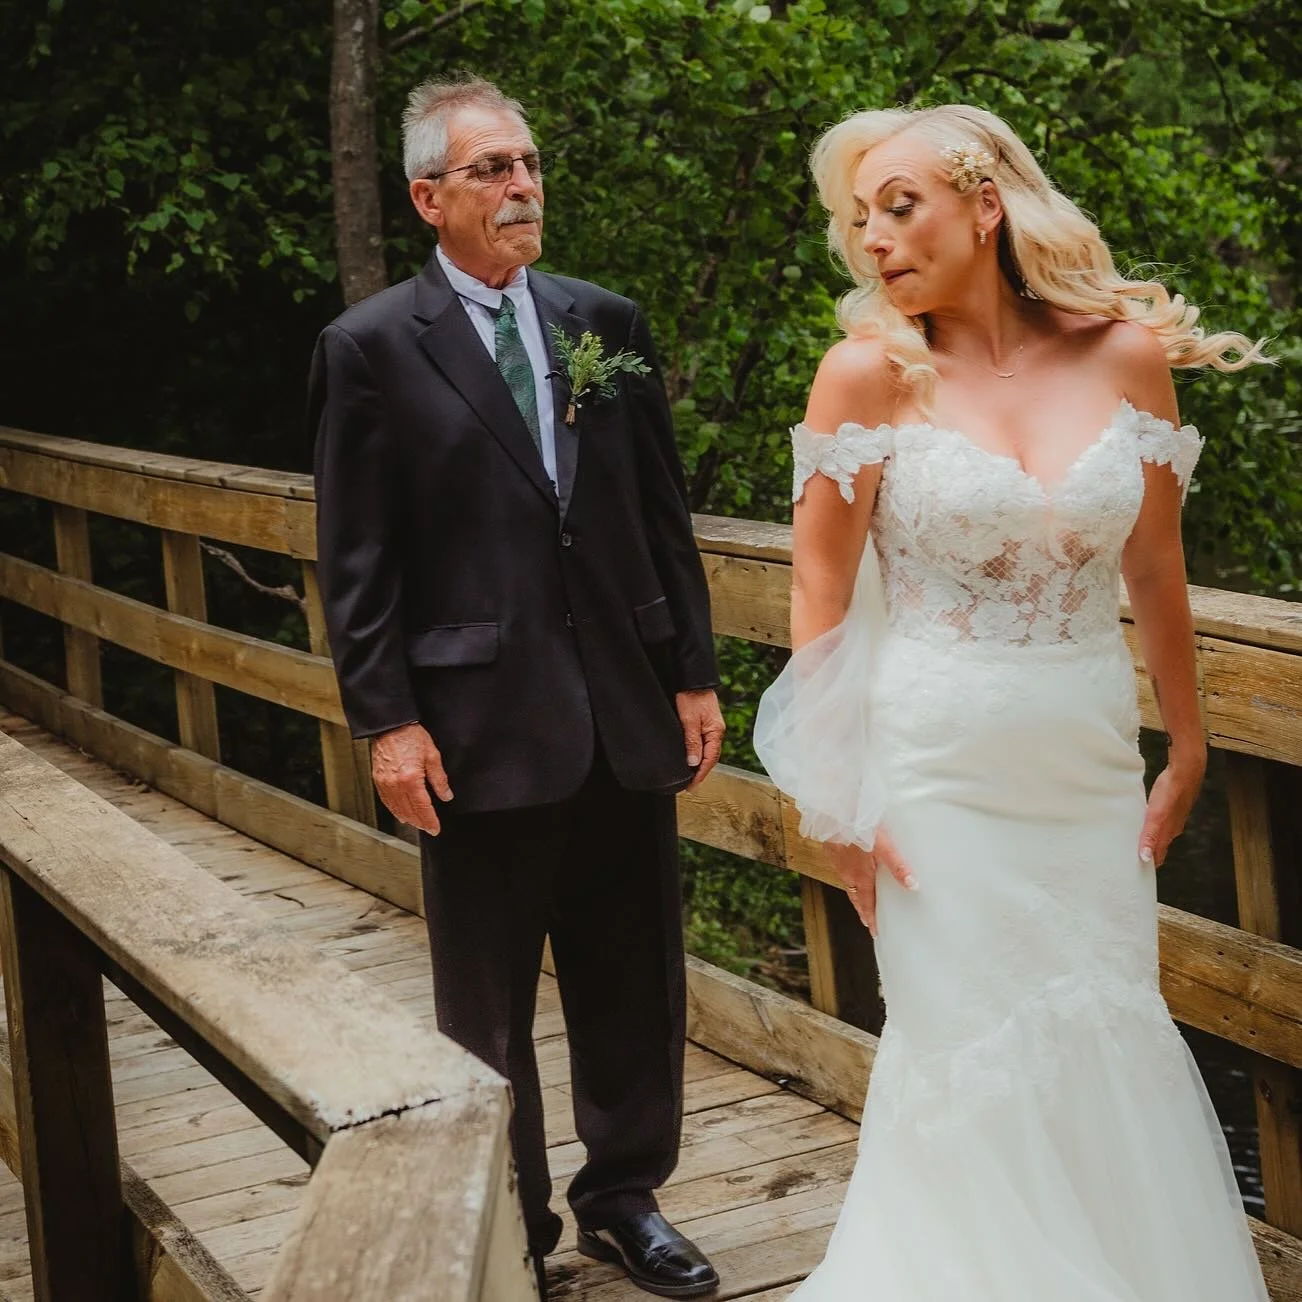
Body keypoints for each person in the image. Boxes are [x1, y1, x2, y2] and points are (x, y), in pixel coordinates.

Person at [754, 103, 1272, 1300]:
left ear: (986, 205)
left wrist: (1186, 743)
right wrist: (837, 792)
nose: (875, 238)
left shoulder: (1124, 358)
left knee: (1106, 1034)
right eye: (858, 218)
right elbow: (821, 590)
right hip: (937, 775)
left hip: (1087, 774)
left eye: (901, 204)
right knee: (966, 1052)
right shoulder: (865, 376)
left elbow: (1153, 569)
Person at [310, 74, 723, 1300]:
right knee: (485, 1001)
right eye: (492, 169)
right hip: (475, 723)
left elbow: (661, 518)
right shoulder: (372, 348)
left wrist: (692, 674)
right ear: (429, 196)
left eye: (530, 163)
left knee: (634, 975)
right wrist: (386, 721)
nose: (524, 185)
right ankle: (513, 1229)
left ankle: (624, 1197)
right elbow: (359, 559)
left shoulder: (606, 321)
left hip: (622, 709)